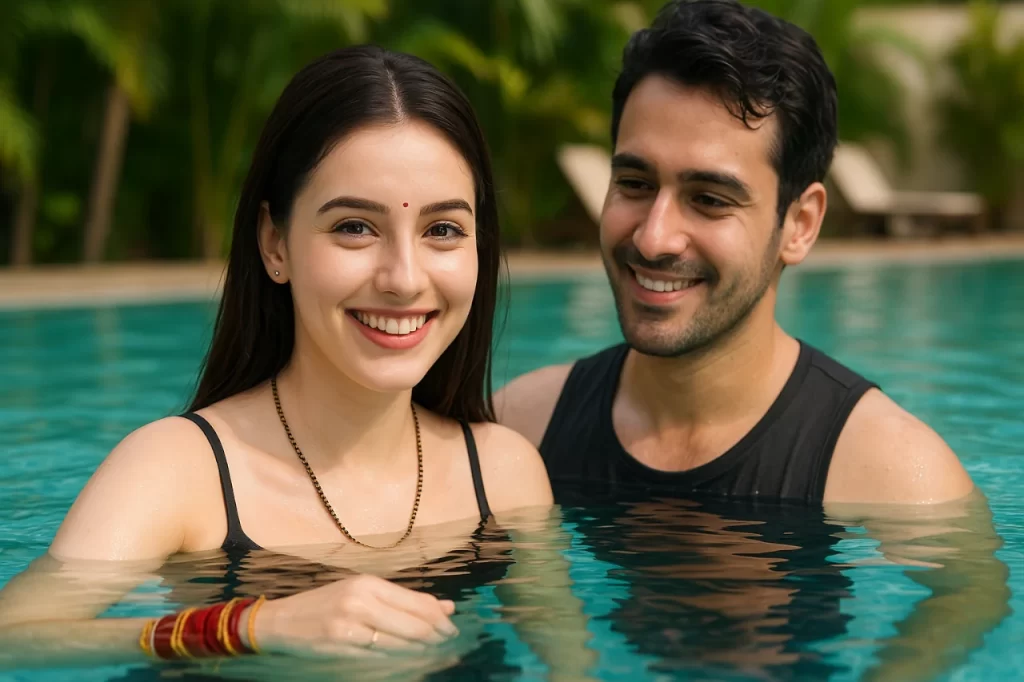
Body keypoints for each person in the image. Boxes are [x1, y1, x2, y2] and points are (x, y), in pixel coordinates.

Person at [0, 44, 558, 670]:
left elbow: (573, 668)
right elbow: (15, 636)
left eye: (443, 230)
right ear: (274, 244)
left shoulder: (506, 476)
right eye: (354, 226)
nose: (404, 278)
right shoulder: (181, 473)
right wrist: (244, 624)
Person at [496, 0, 975, 507]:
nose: (653, 238)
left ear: (800, 224)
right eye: (634, 183)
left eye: (709, 199)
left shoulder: (894, 476)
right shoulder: (517, 429)